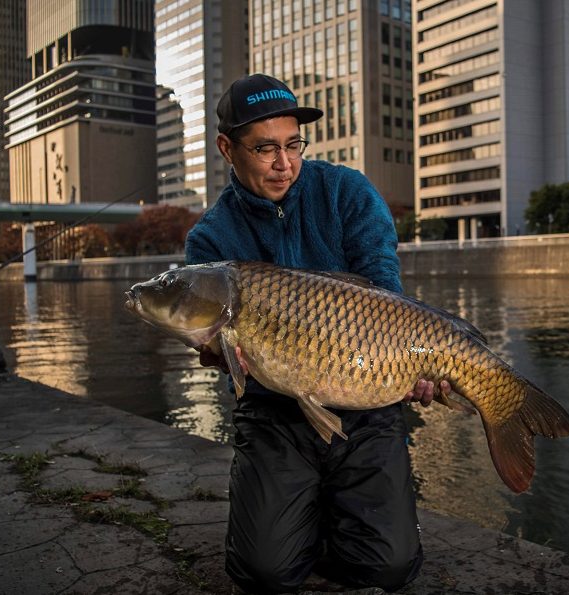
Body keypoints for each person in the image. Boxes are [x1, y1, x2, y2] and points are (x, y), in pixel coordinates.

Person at [185, 73, 448, 595]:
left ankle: (332, 513)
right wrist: (218, 351)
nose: (285, 164)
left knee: (389, 569)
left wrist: (418, 369)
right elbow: (223, 357)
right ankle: (305, 511)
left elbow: (385, 298)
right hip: (275, 412)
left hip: (367, 407)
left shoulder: (346, 192)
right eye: (265, 149)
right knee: (266, 574)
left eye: (292, 145)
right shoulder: (211, 240)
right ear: (226, 148)